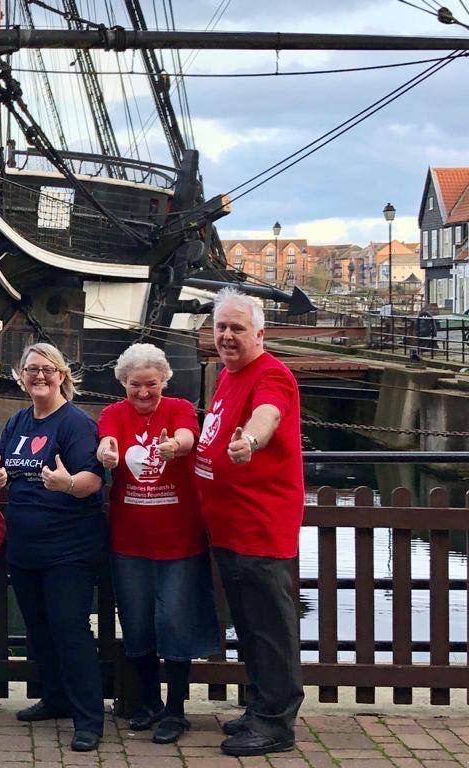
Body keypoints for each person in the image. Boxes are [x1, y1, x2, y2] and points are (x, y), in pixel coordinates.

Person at [193, 287, 304, 756]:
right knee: (248, 625)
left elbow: (268, 415)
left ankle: (277, 723)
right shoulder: (227, 375)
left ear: (260, 332)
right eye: (221, 327)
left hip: (260, 527)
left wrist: (250, 444)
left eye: (238, 328)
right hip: (229, 527)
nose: (228, 336)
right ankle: (260, 706)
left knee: (270, 627)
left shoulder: (271, 374)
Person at [0, 342, 106, 753]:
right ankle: (56, 698)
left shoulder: (75, 423)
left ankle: (89, 718)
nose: (39, 376)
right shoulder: (18, 422)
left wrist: (66, 484)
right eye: (31, 369)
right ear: (20, 375)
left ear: (62, 376)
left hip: (68, 546)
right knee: (39, 627)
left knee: (70, 628)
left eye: (47, 370)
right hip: (25, 545)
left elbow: (93, 480)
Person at [96, 343, 219, 744]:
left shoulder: (179, 407)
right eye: (136, 385)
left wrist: (175, 446)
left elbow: (188, 433)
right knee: (136, 622)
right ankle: (147, 702)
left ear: (164, 381)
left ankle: (176, 709)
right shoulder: (114, 413)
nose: (144, 393)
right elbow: (107, 442)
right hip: (129, 541)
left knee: (174, 621)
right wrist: (107, 453)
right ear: (123, 384)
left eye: (151, 384)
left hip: (180, 541)